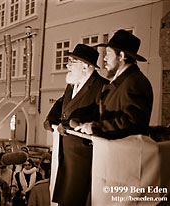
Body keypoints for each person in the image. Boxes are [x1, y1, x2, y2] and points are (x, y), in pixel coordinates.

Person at [43, 43, 108, 205]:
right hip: (66, 154)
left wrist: (69, 125)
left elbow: (98, 115)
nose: (67, 65)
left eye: (72, 61)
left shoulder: (102, 86)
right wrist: (51, 120)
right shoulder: (73, 83)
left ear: (85, 66)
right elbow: (61, 103)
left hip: (83, 157)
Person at [75, 29, 153, 139]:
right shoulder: (122, 80)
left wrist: (95, 127)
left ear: (121, 56)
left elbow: (133, 123)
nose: (104, 58)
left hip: (124, 153)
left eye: (108, 53)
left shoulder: (134, 82)